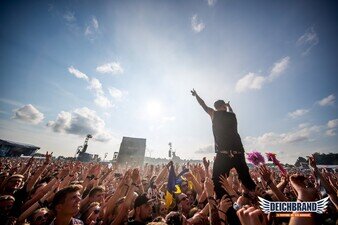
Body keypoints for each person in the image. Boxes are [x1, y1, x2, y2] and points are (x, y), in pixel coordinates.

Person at [191, 89, 256, 199]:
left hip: (224, 154)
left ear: (216, 107)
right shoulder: (232, 115)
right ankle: (257, 197)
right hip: (238, 153)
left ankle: (222, 201)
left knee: (217, 179)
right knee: (246, 178)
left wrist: (196, 95)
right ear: (224, 106)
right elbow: (230, 111)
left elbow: (203, 105)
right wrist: (229, 106)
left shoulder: (213, 114)